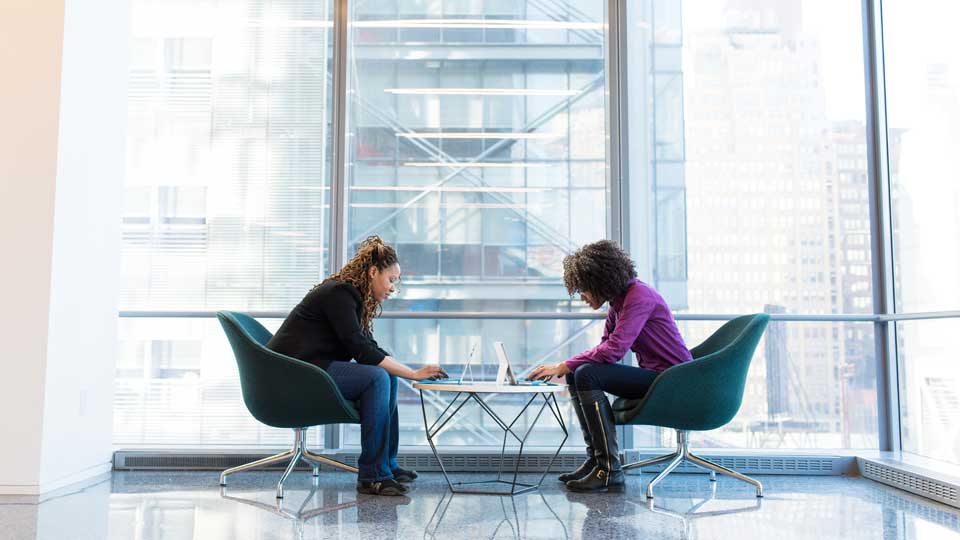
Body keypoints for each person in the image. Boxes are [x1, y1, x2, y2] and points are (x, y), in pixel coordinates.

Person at [268, 236, 447, 496]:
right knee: (377, 377)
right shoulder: (340, 293)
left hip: (312, 369)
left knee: (385, 375)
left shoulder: (351, 296)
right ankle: (372, 476)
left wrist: (408, 371)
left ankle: (386, 465)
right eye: (391, 280)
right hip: (294, 374)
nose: (392, 288)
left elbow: (368, 347)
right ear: (373, 272)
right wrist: (412, 374)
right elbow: (361, 351)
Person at [528, 240, 692, 492]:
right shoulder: (619, 302)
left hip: (673, 380)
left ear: (599, 282)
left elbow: (614, 350)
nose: (581, 297)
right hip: (657, 377)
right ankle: (597, 462)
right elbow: (606, 346)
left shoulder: (639, 296)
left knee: (586, 372)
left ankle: (609, 469)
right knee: (579, 373)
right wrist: (567, 367)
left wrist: (562, 364)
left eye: (583, 289)